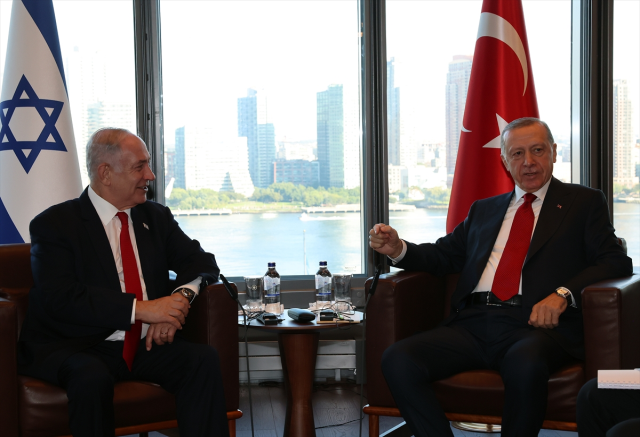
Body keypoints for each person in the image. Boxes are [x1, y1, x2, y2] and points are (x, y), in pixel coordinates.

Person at [369, 117, 633, 437]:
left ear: (553, 151)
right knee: (398, 358)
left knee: (525, 363)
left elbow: (615, 261)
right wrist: (398, 249)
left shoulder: (584, 202)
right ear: (505, 161)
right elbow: (443, 256)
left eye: (537, 150)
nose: (529, 161)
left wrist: (562, 294)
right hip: (472, 323)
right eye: (517, 154)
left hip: (534, 326)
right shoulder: (484, 209)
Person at [18, 128, 229, 436]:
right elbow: (60, 297)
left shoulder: (155, 217)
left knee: (201, 360)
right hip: (78, 345)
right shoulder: (55, 225)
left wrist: (177, 304)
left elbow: (201, 262)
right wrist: (143, 310)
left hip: (144, 342)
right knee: (90, 377)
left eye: (148, 165)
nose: (150, 175)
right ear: (106, 173)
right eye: (140, 166)